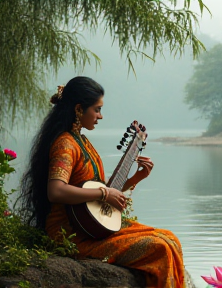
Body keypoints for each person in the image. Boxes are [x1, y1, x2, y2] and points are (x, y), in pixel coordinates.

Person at [20, 76, 186, 288]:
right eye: (97, 109)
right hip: (70, 233)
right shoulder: (65, 144)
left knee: (170, 238)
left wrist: (136, 178)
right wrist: (104, 194)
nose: (100, 116)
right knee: (160, 248)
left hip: (90, 226)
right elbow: (56, 191)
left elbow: (99, 192)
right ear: (79, 109)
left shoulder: (81, 140)